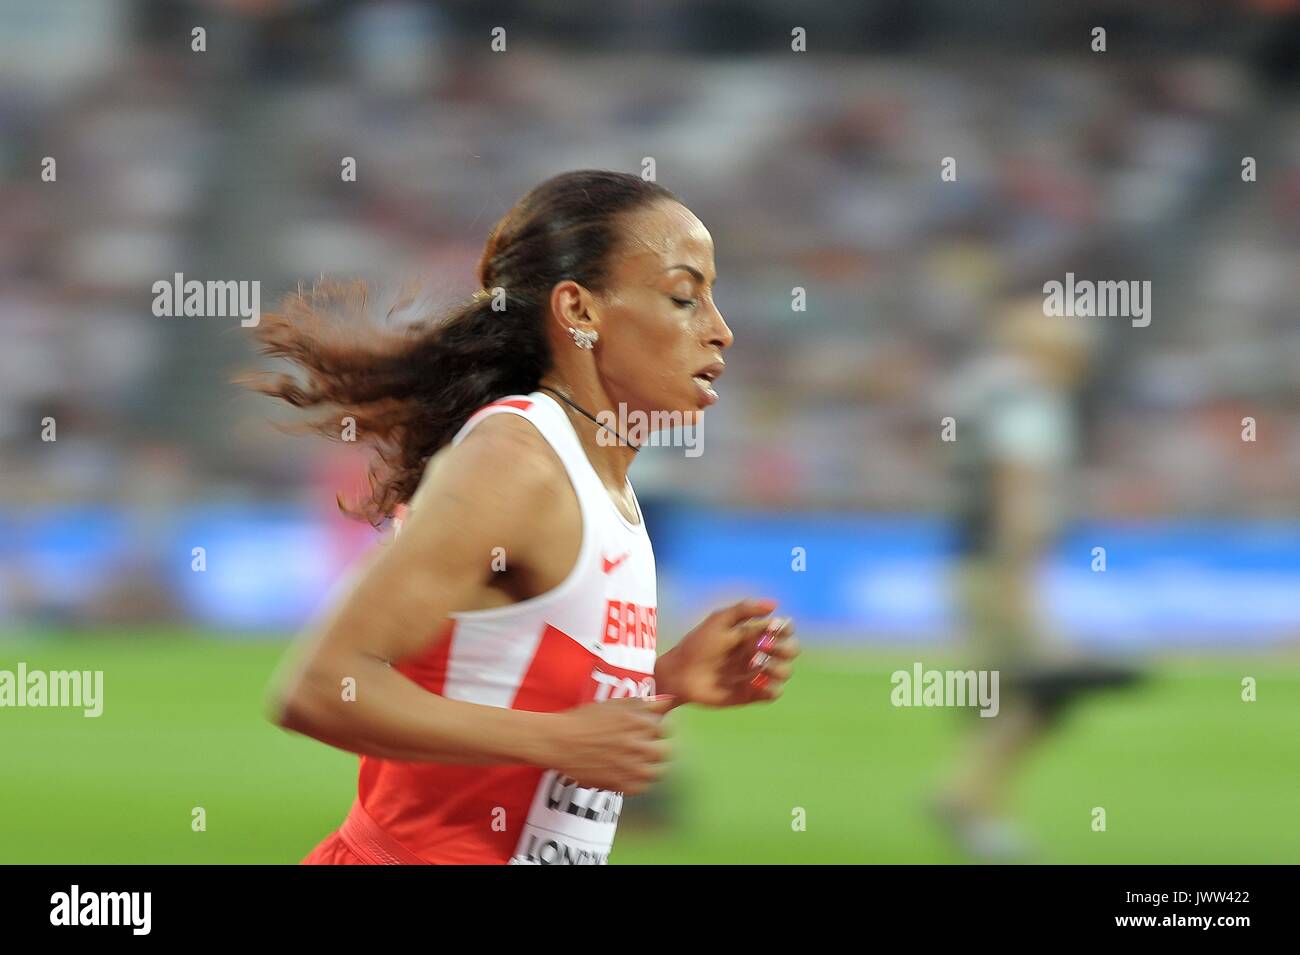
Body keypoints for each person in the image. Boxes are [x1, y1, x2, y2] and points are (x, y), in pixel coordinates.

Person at [246, 169, 799, 865]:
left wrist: (664, 681)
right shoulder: (516, 460)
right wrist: (559, 741)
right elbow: (319, 688)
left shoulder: (609, 488)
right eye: (684, 296)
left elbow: (525, 699)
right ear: (580, 311)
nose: (720, 331)